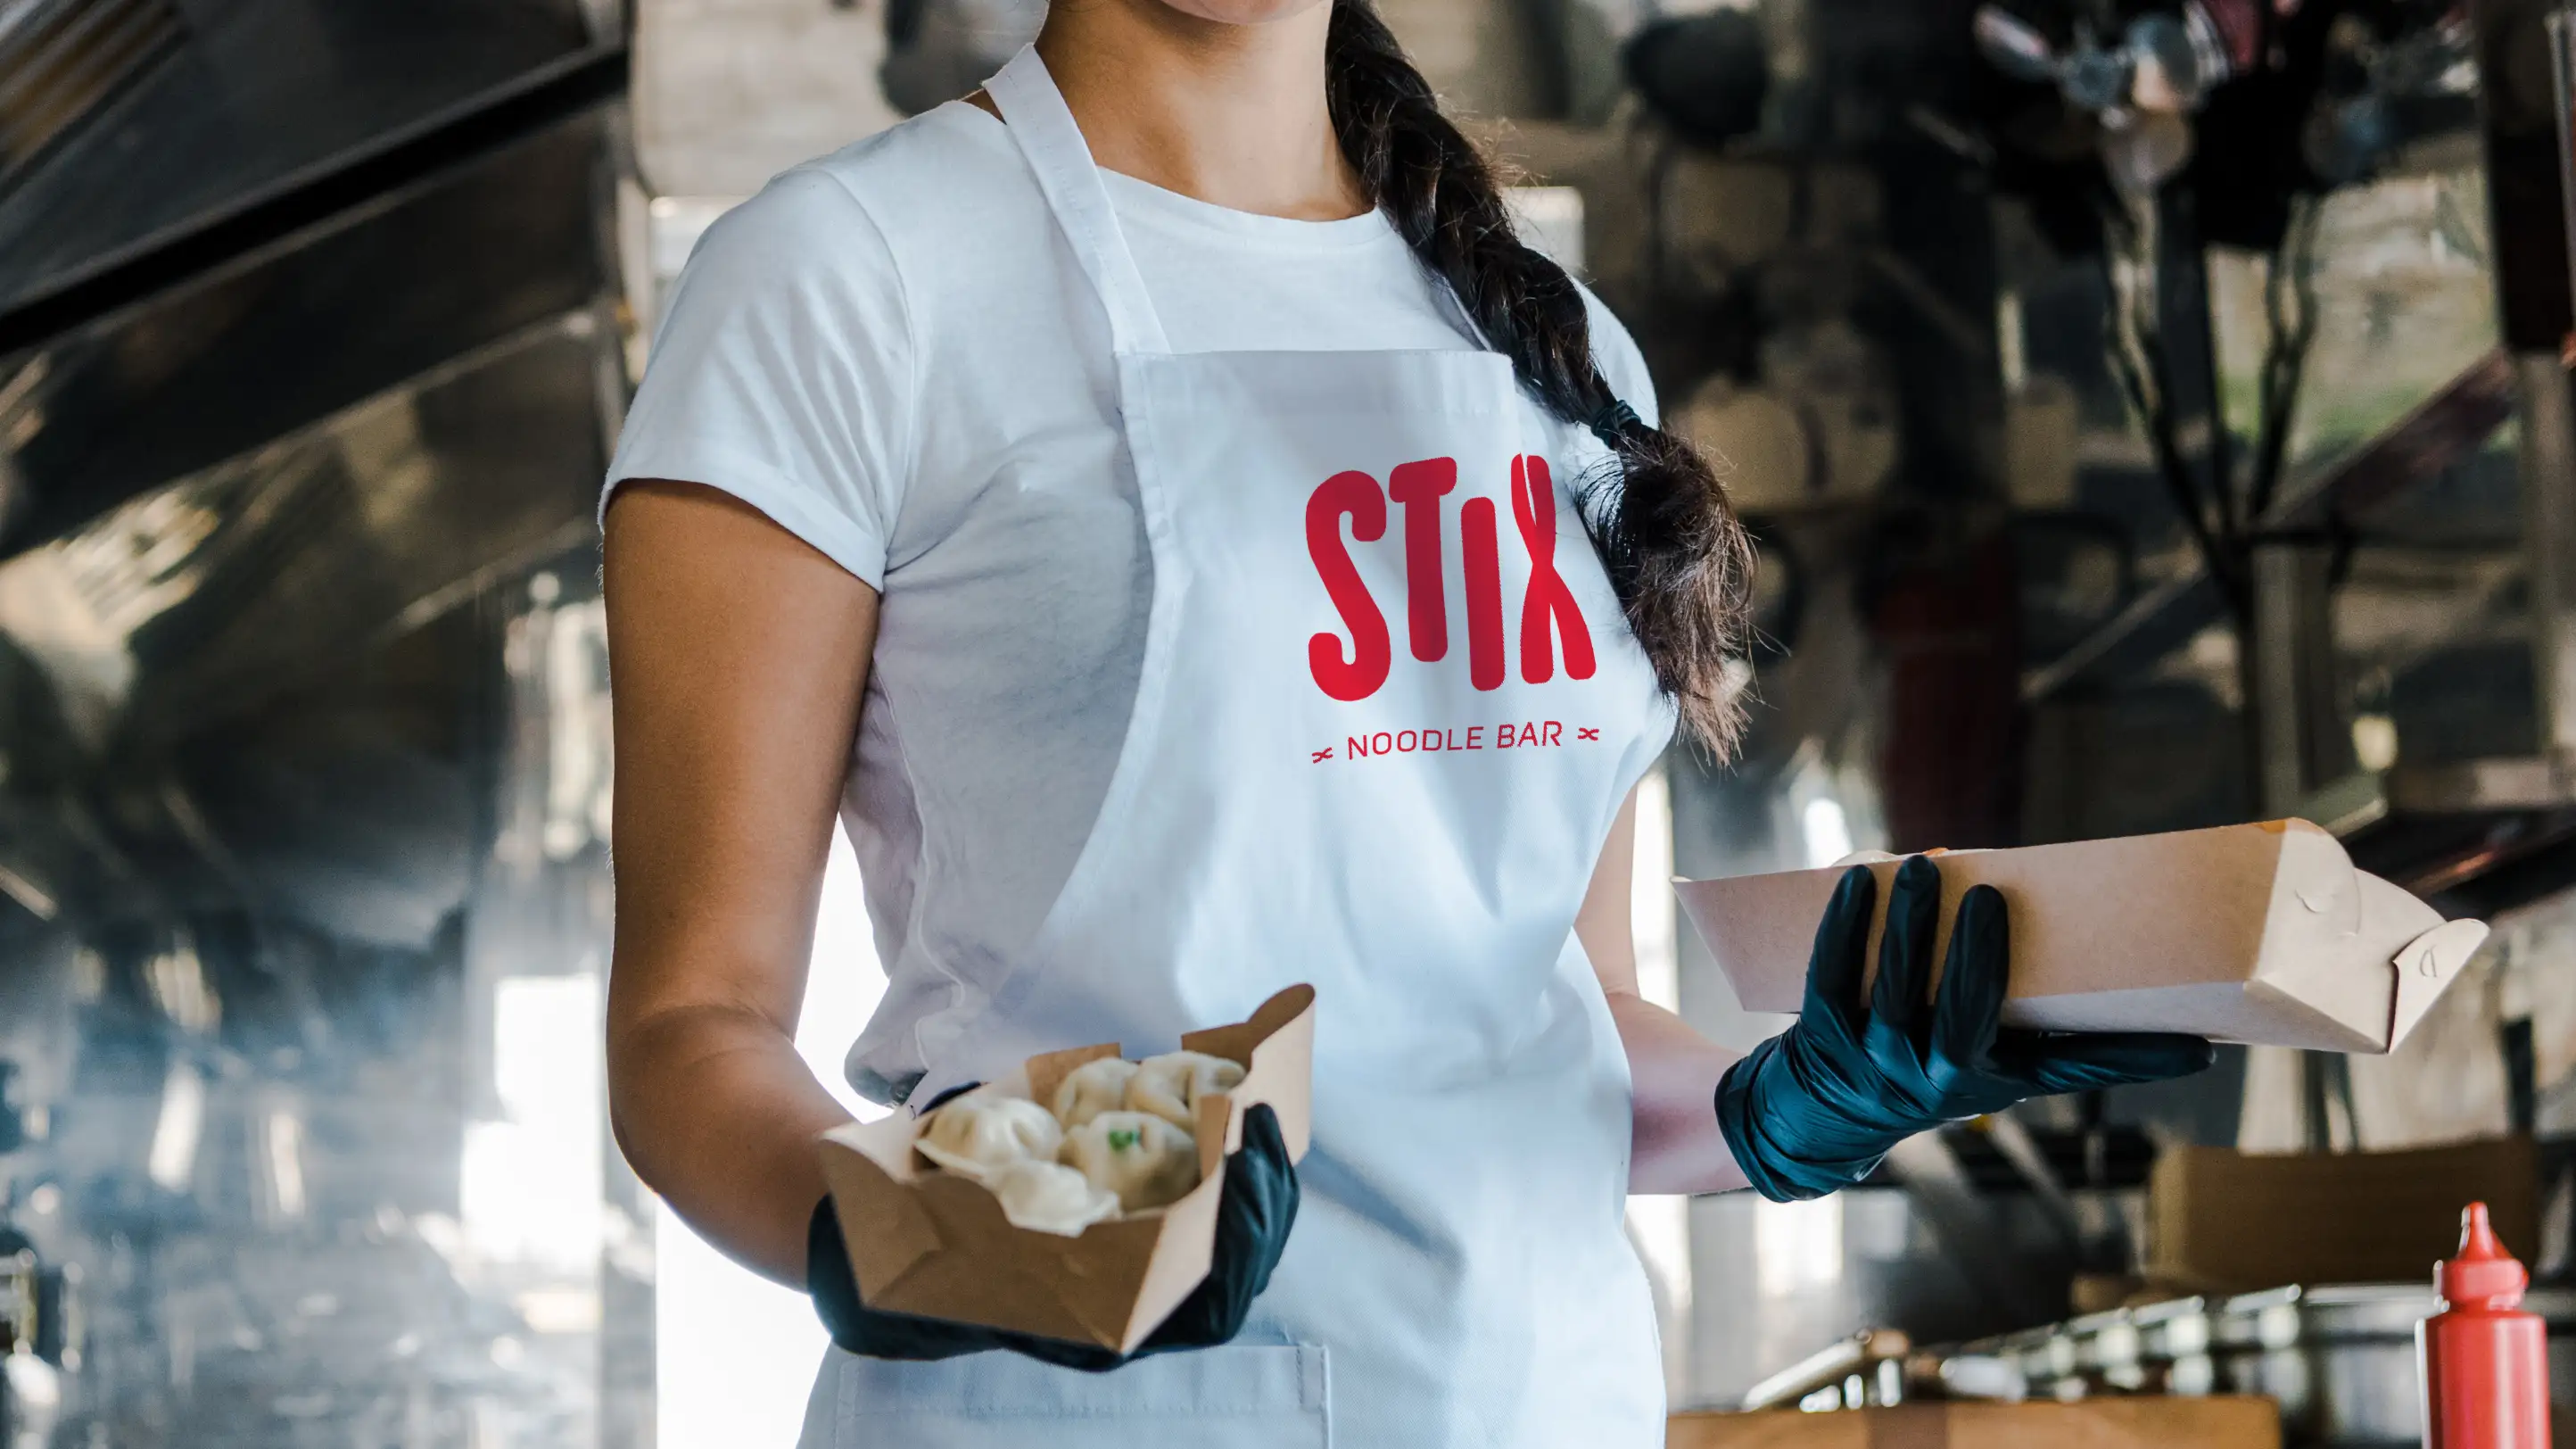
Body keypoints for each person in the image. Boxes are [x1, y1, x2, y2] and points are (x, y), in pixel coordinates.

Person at [597, 0, 2217, 1442]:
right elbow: (692, 1032)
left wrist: (1776, 1108)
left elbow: (1557, 1011)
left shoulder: (1559, 353)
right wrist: (903, 1231)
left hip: (1540, 1397)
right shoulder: (845, 277)